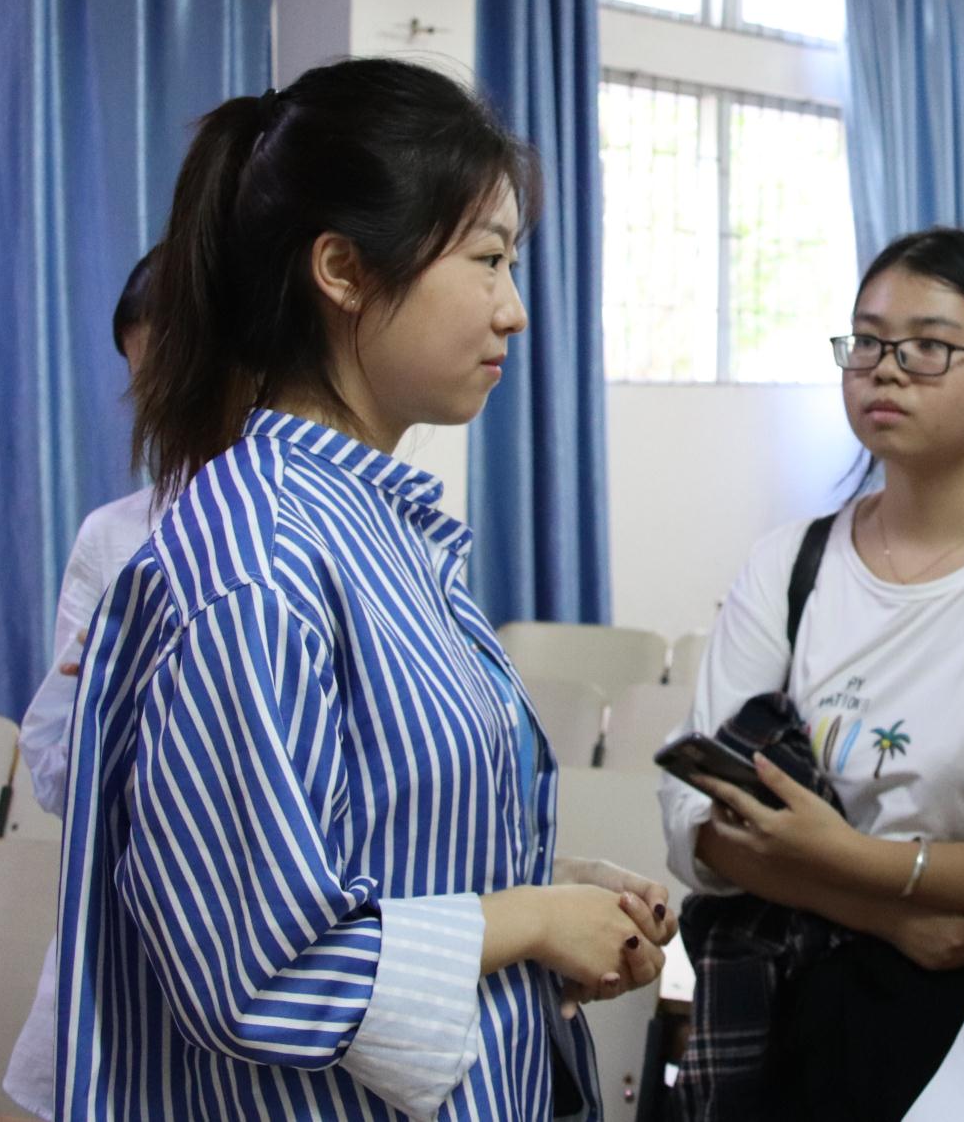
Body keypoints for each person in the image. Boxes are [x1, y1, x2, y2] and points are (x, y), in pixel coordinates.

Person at [54, 59, 674, 1122]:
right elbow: (258, 966)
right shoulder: (257, 562)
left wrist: (551, 893)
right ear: (341, 268)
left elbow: (371, 847)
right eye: (487, 260)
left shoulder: (372, 524)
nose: (514, 311)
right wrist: (527, 921)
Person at [658, 229, 964, 1122]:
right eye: (868, 341)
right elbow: (697, 819)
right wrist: (879, 905)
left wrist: (856, 860)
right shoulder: (791, 565)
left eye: (929, 346)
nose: (885, 369)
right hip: (795, 1020)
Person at [1, 248, 164, 1119]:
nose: (159, 405)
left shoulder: (310, 530)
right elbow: (54, 765)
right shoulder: (114, 535)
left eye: (177, 372)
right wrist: (111, 696)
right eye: (143, 382)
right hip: (121, 932)